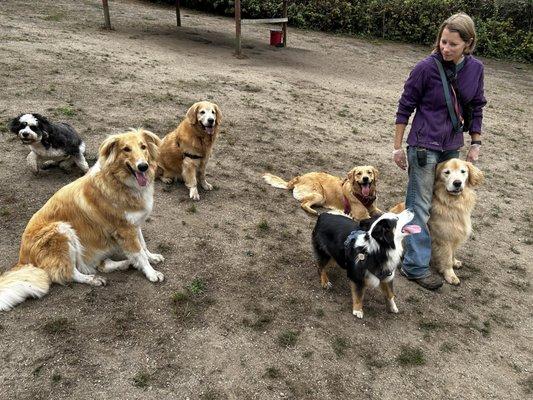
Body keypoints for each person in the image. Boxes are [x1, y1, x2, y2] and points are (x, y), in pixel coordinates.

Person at [393, 13, 487, 290]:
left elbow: (476, 106)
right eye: (443, 42)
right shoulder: (426, 67)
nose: (445, 48)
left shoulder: (475, 69)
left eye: (453, 44)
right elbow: (404, 107)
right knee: (419, 208)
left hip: (451, 147)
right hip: (423, 147)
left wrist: (476, 142)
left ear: (468, 44)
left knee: (443, 209)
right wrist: (398, 148)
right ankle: (414, 266)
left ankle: (439, 251)